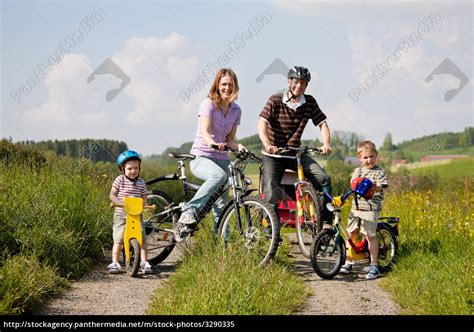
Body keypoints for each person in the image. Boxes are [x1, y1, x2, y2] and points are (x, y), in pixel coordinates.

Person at [175, 68, 246, 241]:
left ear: (235, 86)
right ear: (217, 85)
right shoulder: (208, 104)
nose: (227, 88)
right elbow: (205, 132)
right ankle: (189, 211)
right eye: (223, 84)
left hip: (222, 159)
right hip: (201, 157)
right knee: (218, 175)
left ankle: (223, 250)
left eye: (230, 84)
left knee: (222, 206)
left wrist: (240, 146)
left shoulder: (236, 110)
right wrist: (212, 143)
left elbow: (229, 139)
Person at [257, 65, 333, 225]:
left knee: (323, 178)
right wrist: (268, 144)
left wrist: (326, 143)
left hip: (295, 154)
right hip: (273, 155)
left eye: (303, 83)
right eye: (296, 82)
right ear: (289, 81)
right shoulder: (275, 100)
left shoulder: (310, 102)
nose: (299, 86)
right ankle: (268, 229)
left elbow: (323, 123)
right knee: (271, 195)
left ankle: (325, 221)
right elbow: (262, 123)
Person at [339, 140, 388, 280]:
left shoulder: (379, 172)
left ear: (376, 156)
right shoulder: (358, 171)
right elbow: (353, 183)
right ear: (360, 158)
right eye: (366, 157)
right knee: (351, 234)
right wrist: (356, 184)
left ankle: (374, 265)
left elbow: (381, 186)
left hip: (371, 208)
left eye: (372, 156)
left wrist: (372, 186)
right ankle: (349, 261)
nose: (369, 160)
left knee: (370, 236)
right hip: (356, 207)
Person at [108, 150, 153, 274]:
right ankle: (115, 262)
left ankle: (144, 262)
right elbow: (112, 194)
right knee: (119, 238)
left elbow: (144, 197)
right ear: (123, 169)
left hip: (136, 215)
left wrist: (143, 205)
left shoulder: (141, 182)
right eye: (129, 168)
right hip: (121, 214)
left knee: (142, 239)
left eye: (136, 168)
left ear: (139, 168)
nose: (133, 171)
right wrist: (119, 202)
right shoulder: (119, 180)